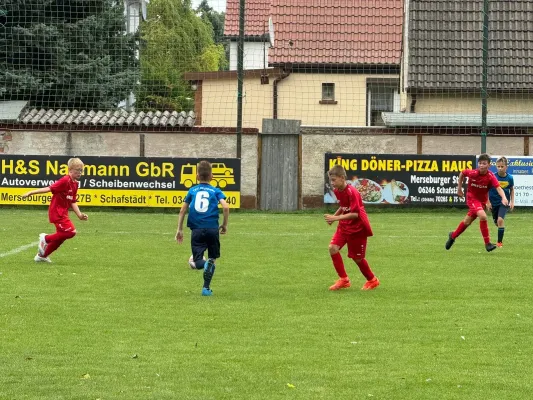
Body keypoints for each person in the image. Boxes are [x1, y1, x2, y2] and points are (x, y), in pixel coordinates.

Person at [176, 160, 229, 296]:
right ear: (212, 176)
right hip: (212, 229)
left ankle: (202, 264)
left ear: (197, 176)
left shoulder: (192, 190)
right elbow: (226, 207)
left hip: (197, 230)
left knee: (198, 260)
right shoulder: (215, 190)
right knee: (212, 259)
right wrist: (224, 225)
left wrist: (179, 229)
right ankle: (206, 288)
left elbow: (182, 210)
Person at [323, 165, 379, 291]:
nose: (332, 183)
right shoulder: (338, 190)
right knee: (332, 248)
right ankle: (344, 279)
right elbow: (344, 206)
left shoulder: (352, 192)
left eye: (334, 180)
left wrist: (335, 219)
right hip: (344, 227)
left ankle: (372, 280)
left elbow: (355, 214)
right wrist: (334, 216)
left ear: (342, 178)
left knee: (357, 258)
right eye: (331, 180)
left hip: (357, 229)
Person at [22, 157, 88, 262]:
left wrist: (79, 215)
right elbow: (49, 189)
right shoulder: (65, 180)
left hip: (63, 213)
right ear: (70, 170)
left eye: (81, 170)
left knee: (61, 237)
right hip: (57, 212)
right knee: (71, 232)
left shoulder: (75, 184)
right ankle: (45, 238)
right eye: (77, 170)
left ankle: (42, 256)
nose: (80, 173)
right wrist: (31, 192)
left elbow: (73, 201)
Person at [445, 153, 509, 252]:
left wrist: (504, 198)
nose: (481, 165)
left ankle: (452, 236)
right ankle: (487, 244)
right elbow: (462, 173)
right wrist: (459, 188)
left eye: (484, 163)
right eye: (480, 163)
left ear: (489, 165)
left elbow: (498, 188)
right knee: (483, 216)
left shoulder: (490, 176)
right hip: (472, 199)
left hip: (481, 202)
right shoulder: (473, 173)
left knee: (467, 221)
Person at [486, 156, 514, 247]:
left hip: (504, 202)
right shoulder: (493, 177)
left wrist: (512, 202)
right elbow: (486, 190)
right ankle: (500, 228)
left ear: (506, 167)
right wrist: (488, 202)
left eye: (502, 166)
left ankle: (499, 242)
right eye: (498, 166)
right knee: (497, 222)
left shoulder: (510, 178)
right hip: (494, 202)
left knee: (500, 220)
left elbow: (512, 190)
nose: (500, 168)